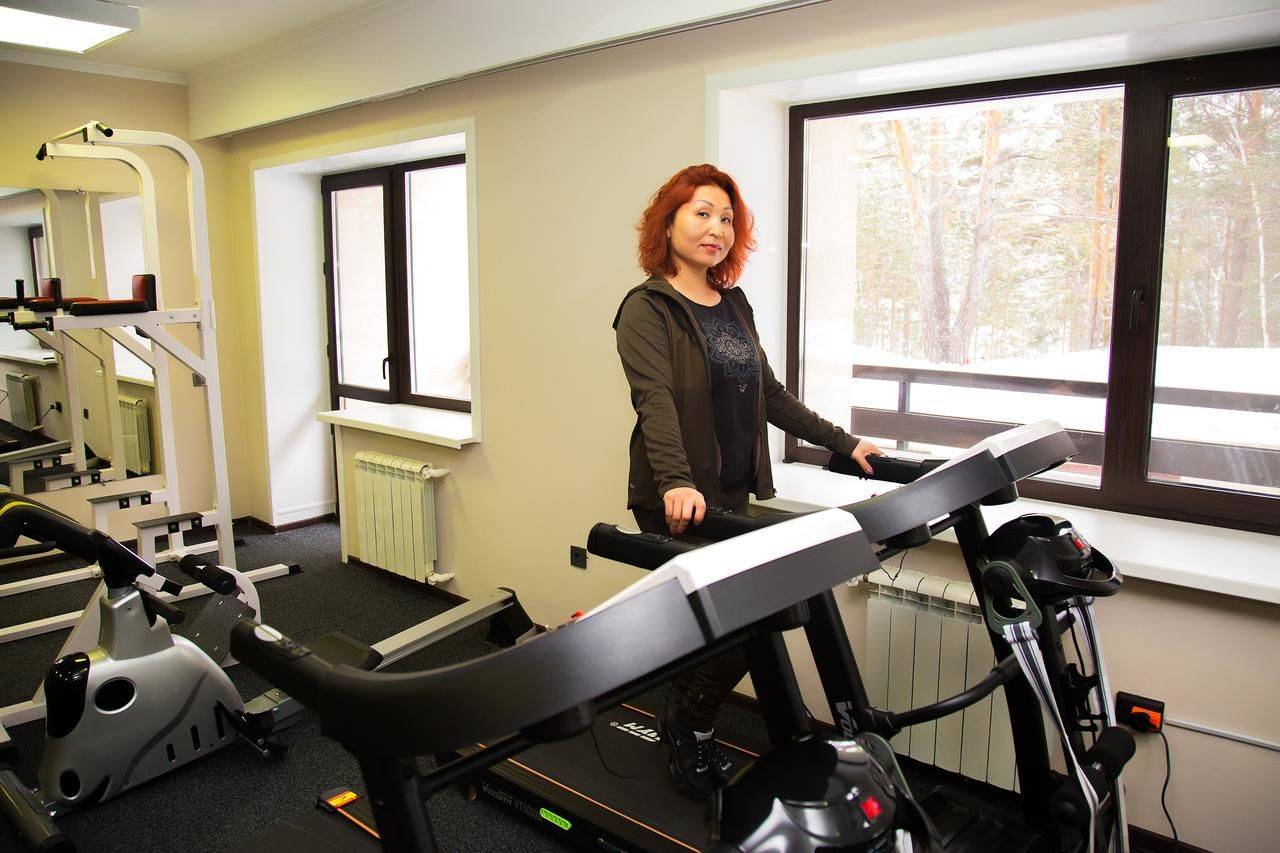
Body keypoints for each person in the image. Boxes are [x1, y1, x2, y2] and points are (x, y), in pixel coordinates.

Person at [612, 163, 883, 800]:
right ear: (668, 223)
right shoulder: (647, 309)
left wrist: (843, 442)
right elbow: (655, 401)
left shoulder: (733, 304)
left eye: (727, 218)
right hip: (679, 498)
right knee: (735, 620)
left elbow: (771, 395)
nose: (716, 228)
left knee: (739, 618)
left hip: (733, 495)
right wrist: (676, 483)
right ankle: (690, 726)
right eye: (702, 213)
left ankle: (689, 716)